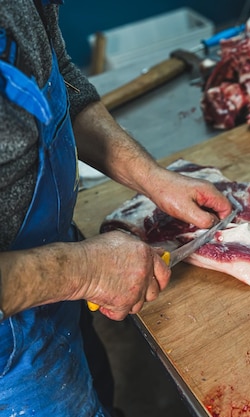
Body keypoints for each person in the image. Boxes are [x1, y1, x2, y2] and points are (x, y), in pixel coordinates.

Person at [0, 0, 232, 415]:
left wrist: (152, 177)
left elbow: (59, 82)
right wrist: (83, 271)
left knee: (98, 389)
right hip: (10, 375)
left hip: (56, 291)